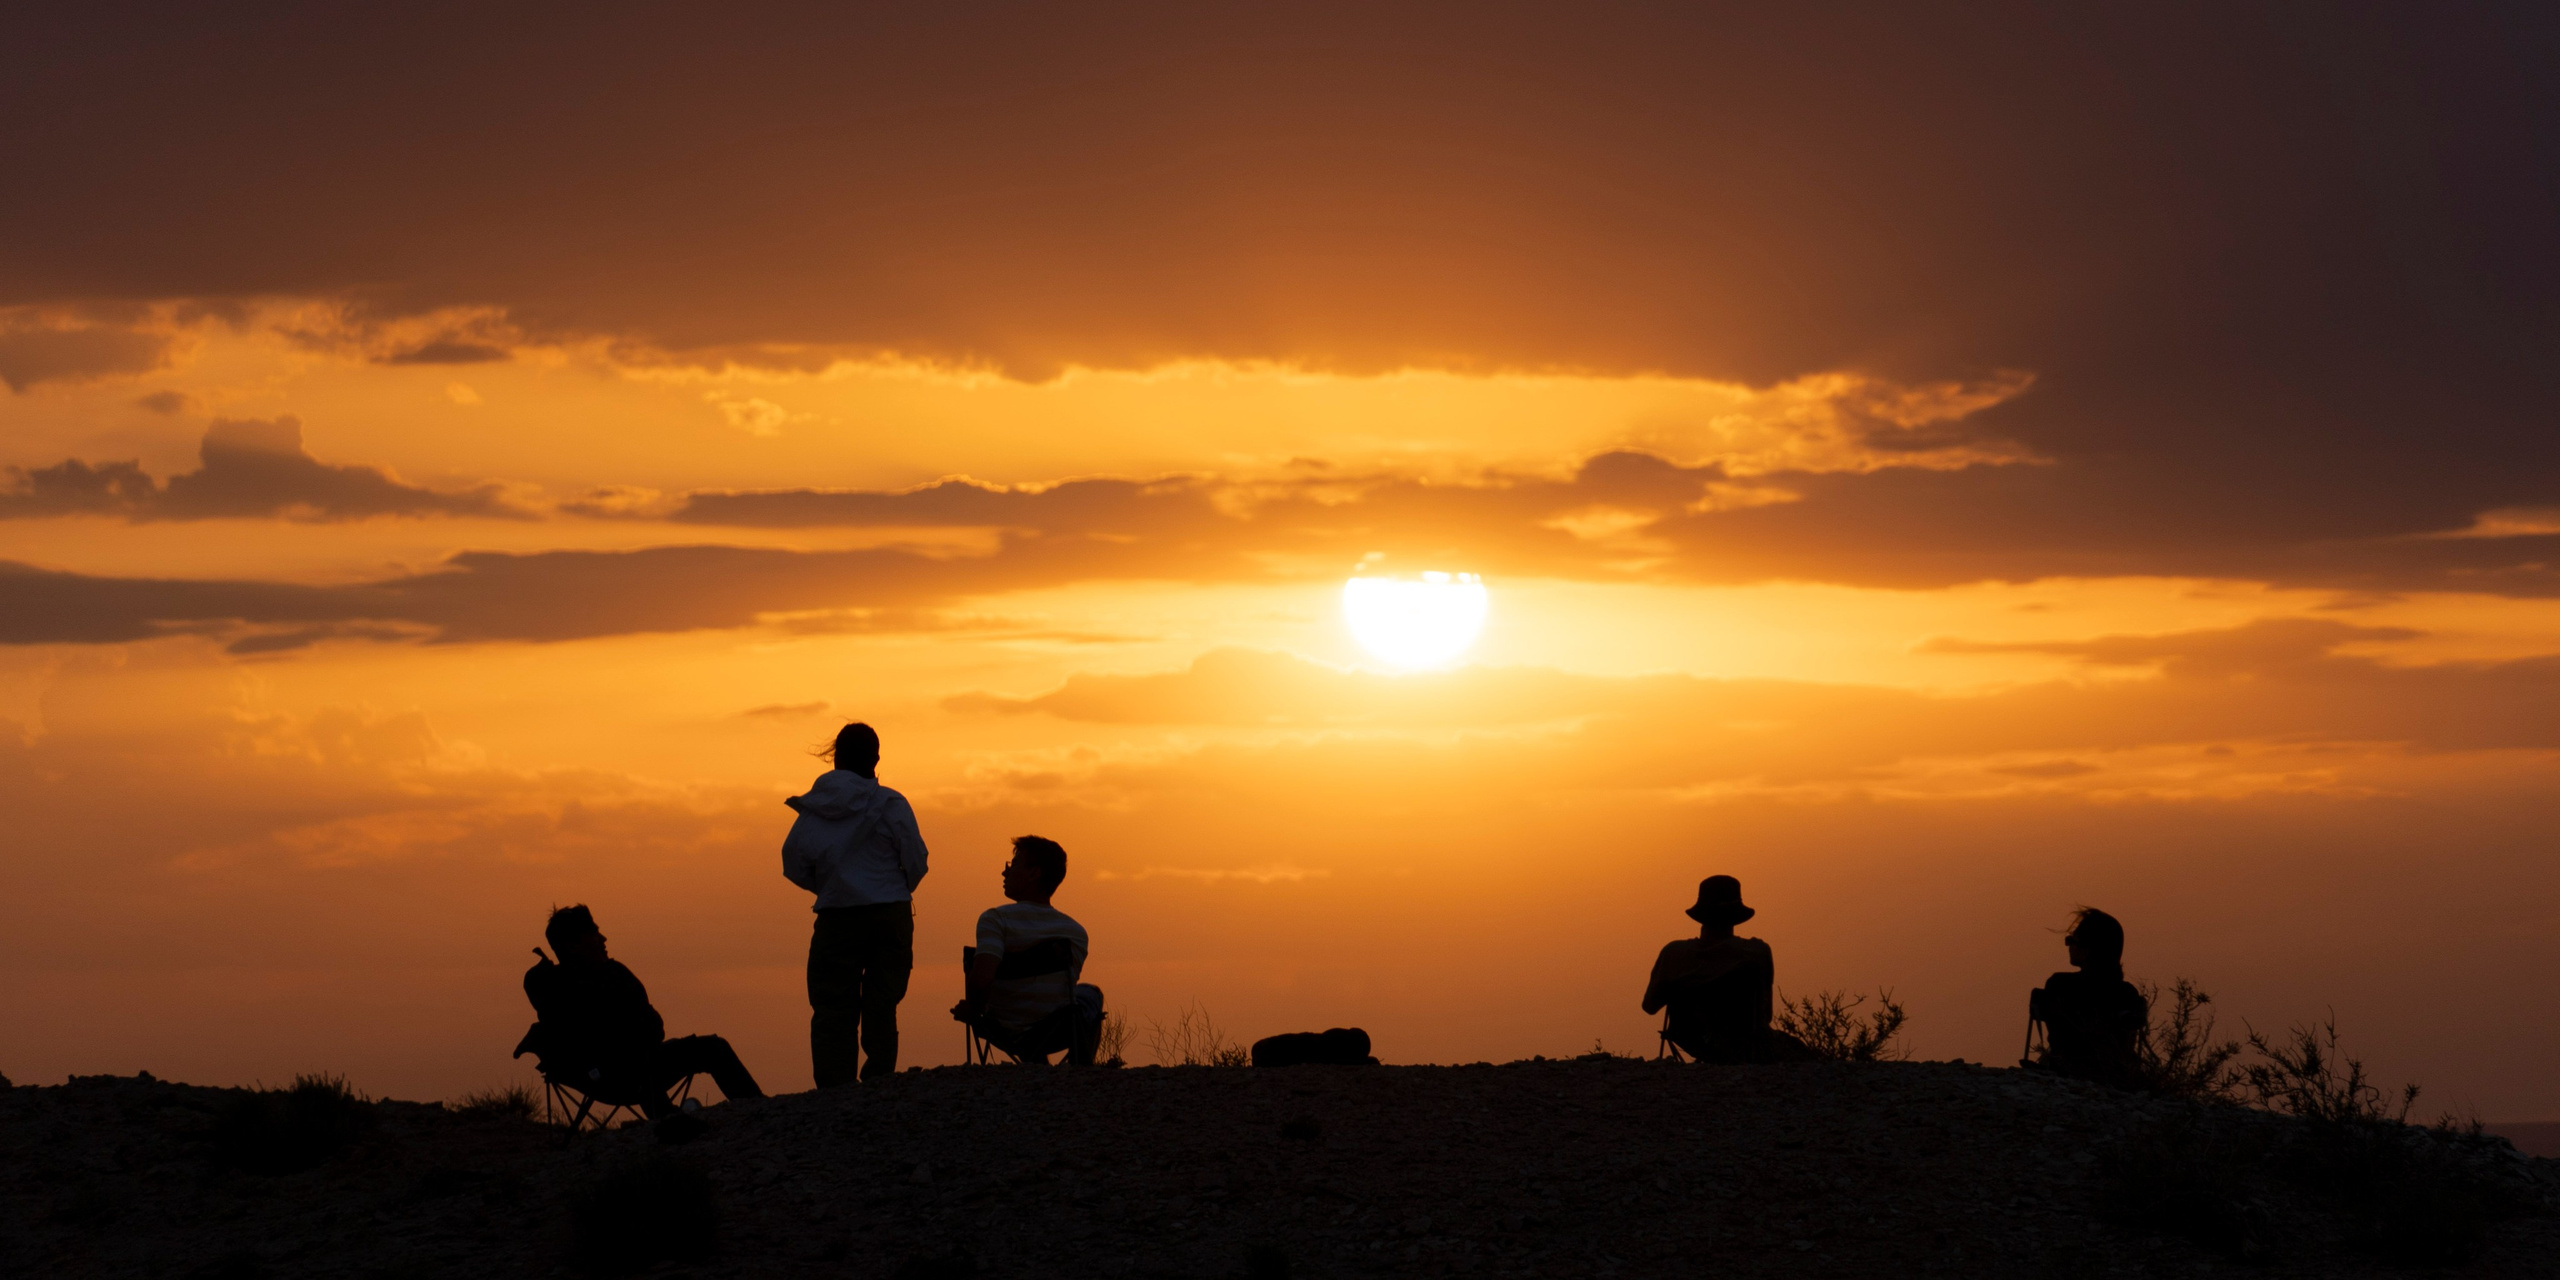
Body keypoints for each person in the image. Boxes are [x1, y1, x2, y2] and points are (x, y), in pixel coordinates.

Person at [784, 722, 931, 1087]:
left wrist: (830, 886)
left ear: (835, 759)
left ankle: (835, 1091)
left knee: (833, 1007)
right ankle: (879, 1083)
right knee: (882, 1003)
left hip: (837, 918)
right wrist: (895, 887)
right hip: (890, 914)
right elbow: (916, 860)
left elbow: (793, 864)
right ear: (875, 759)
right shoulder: (891, 803)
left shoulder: (814, 809)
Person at [514, 905, 763, 1116]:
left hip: (606, 1078)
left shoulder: (561, 984)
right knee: (709, 1049)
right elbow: (651, 1029)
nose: (603, 939)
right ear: (573, 946)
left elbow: (652, 1028)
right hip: (622, 1076)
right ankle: (759, 1112)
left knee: (659, 1053)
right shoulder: (598, 980)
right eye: (594, 933)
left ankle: (676, 1116)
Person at [949, 835, 1105, 1065]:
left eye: (1012, 866)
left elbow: (981, 979)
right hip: (1056, 1028)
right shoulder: (1074, 933)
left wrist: (973, 1010)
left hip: (1003, 1029)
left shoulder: (996, 920)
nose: (1005, 873)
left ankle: (1037, 1064)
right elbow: (1062, 991)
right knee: (1090, 993)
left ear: (1034, 873)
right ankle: (1081, 1069)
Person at [1641, 875, 1812, 1063]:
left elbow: (1650, 1006)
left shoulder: (1674, 954)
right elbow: (1765, 1015)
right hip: (1745, 1048)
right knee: (1803, 1055)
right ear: (1736, 916)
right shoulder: (1756, 953)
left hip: (1695, 1039)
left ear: (1702, 915)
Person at [2026, 906, 2149, 1087]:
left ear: (2087, 950)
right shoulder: (2127, 993)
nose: (2068, 946)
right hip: (2115, 1077)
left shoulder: (2059, 984)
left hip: (2063, 1072)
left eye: (2071, 941)